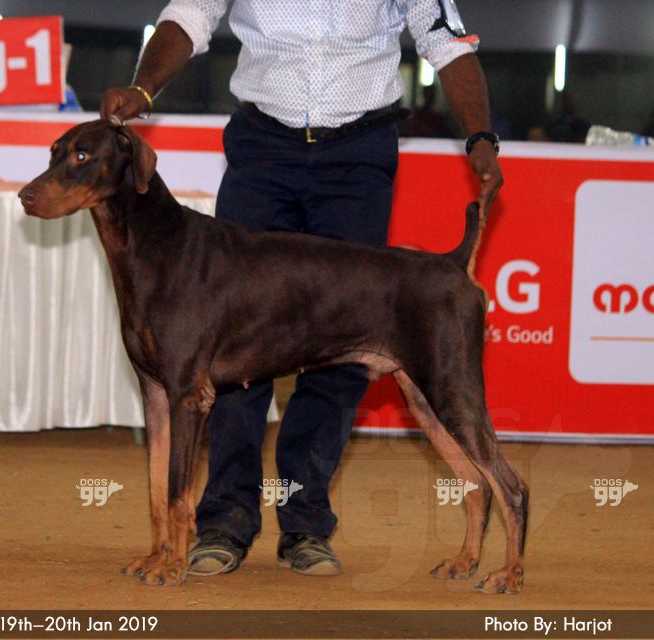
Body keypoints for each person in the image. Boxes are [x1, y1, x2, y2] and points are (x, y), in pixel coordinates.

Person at [100, 0, 503, 578]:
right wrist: (144, 88)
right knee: (225, 343)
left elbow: (445, 41)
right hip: (263, 151)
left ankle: (306, 522)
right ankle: (225, 521)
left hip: (359, 156)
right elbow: (189, 15)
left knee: (347, 345)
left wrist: (480, 136)